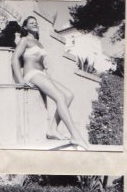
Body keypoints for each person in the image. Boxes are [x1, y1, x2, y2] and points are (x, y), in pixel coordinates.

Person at [11, 16, 90, 149]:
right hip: (31, 74)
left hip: (42, 74)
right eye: (31, 23)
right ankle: (75, 134)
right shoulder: (25, 40)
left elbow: (42, 64)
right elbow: (14, 59)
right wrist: (20, 80)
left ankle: (52, 129)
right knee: (59, 97)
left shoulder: (39, 43)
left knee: (69, 95)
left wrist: (49, 77)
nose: (35, 24)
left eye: (36, 23)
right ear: (25, 27)